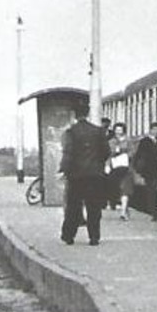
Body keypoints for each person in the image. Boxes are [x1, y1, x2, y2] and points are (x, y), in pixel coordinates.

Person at [59, 104, 109, 246]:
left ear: (75, 115)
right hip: (95, 175)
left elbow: (68, 153)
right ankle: (94, 237)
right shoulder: (98, 131)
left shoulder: (71, 132)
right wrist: (97, 164)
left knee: (73, 206)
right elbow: (106, 152)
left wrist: (64, 169)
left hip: (76, 176)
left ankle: (68, 236)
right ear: (87, 113)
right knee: (94, 207)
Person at [132, 121, 157, 217]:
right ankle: (153, 211)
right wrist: (137, 168)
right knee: (151, 190)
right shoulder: (144, 141)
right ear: (150, 130)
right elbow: (138, 155)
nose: (156, 131)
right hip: (148, 170)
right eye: (154, 129)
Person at [106, 122, 134, 221]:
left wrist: (125, 155)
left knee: (125, 189)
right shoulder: (111, 141)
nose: (118, 132)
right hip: (115, 168)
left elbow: (133, 152)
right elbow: (108, 154)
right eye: (116, 130)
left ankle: (123, 212)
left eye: (120, 130)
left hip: (126, 168)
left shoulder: (129, 140)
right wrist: (107, 165)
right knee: (116, 189)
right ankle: (125, 209)